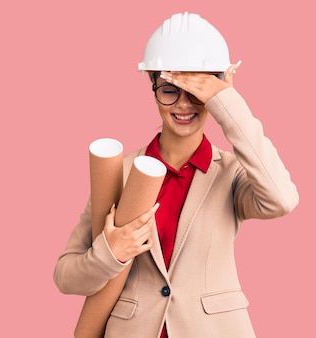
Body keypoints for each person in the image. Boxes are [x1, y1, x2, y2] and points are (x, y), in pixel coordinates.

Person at [53, 12, 299, 338]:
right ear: (152, 87)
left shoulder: (233, 175)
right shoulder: (120, 172)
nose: (184, 105)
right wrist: (111, 254)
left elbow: (282, 200)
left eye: (196, 91)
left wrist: (227, 101)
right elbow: (65, 276)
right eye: (169, 89)